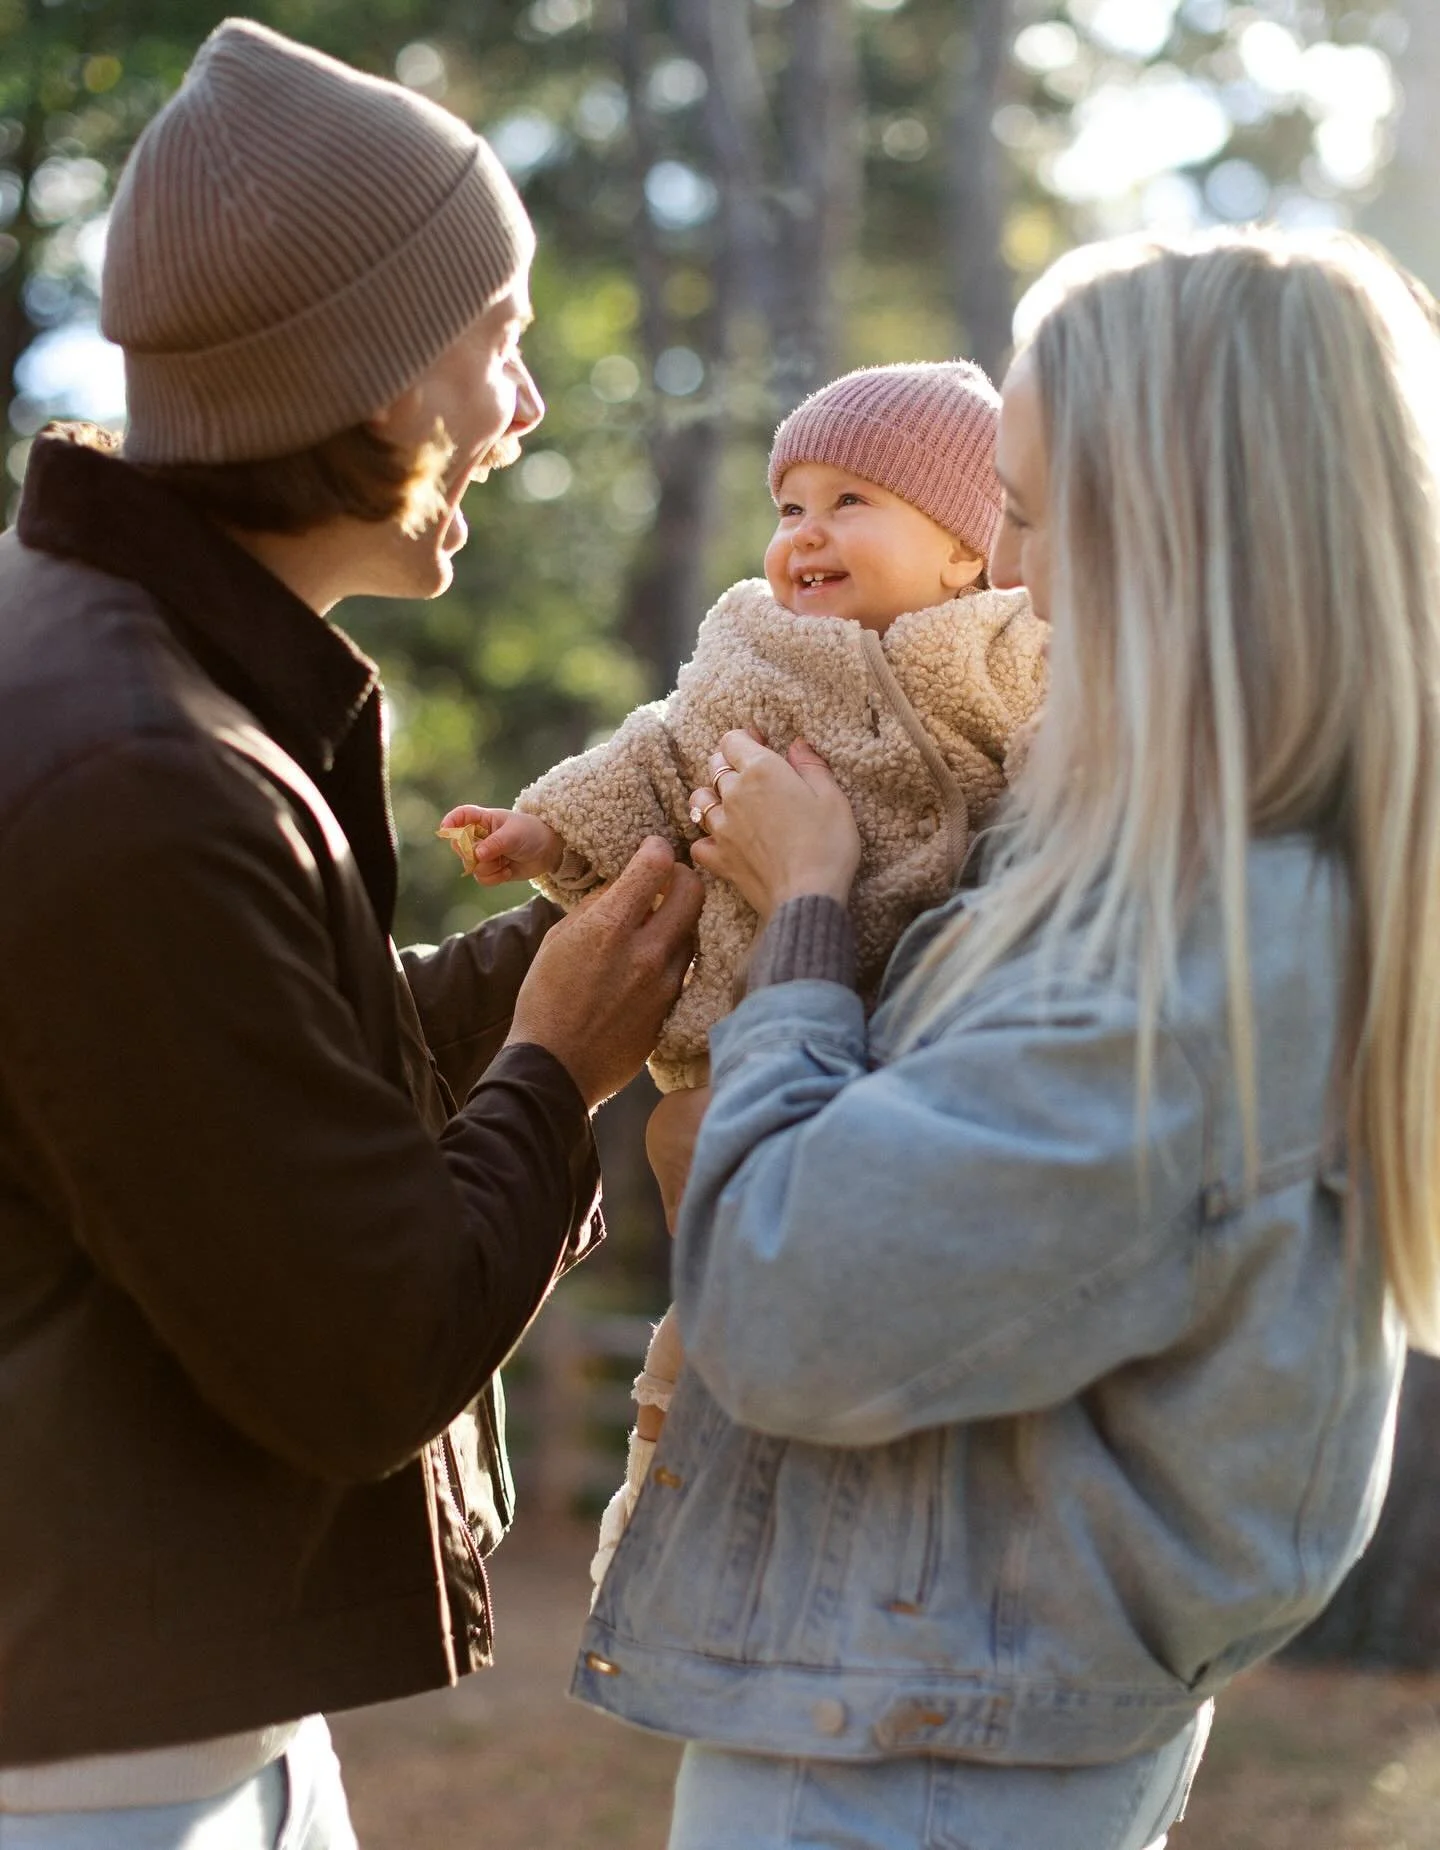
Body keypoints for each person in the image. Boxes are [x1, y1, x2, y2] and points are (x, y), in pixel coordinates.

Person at [571, 225, 1440, 1850]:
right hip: (926, 1725)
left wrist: (808, 914)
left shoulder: (1187, 950)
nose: (1006, 576)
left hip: (910, 1773)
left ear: (1176, 537)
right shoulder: (1111, 862)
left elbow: (787, 1309)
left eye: (1029, 517)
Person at [0, 19, 701, 1849]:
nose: (525, 411)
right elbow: (360, 1357)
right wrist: (565, 1064)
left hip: (155, 1730)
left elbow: (227, 1103)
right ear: (378, 373)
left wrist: (550, 960)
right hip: (94, 1789)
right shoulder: (135, 769)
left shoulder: (117, 680)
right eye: (503, 339)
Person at [438, 362, 1048, 1586]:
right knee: (701, 1323)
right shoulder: (754, 653)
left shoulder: (1006, 653)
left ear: (966, 552)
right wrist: (549, 830)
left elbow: (1067, 762)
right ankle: (658, 1542)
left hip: (926, 1025)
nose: (806, 533)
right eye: (788, 506)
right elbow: (656, 761)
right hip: (754, 1020)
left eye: (852, 501)